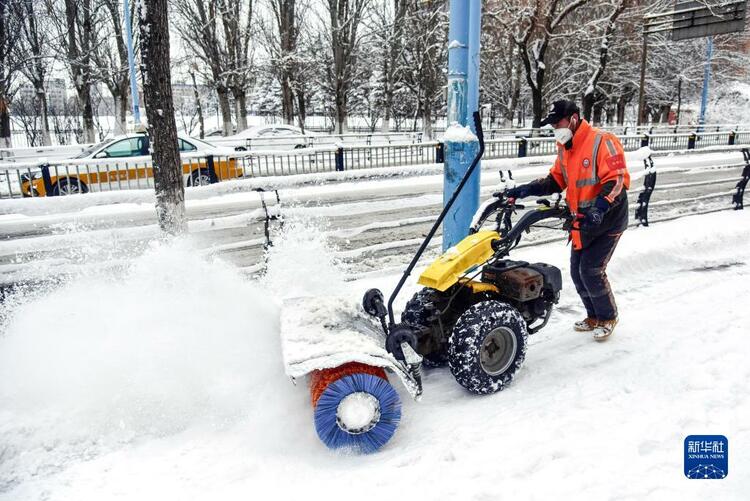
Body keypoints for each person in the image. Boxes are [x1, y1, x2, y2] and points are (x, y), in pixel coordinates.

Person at [506, 100, 630, 341]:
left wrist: (600, 207)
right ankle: (593, 316)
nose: (555, 128)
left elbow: (617, 180)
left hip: (607, 220)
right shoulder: (565, 147)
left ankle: (608, 316)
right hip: (582, 222)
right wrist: (524, 190)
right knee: (576, 271)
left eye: (557, 122)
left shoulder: (602, 141)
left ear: (573, 119)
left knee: (591, 271)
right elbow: (555, 180)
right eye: (552, 125)